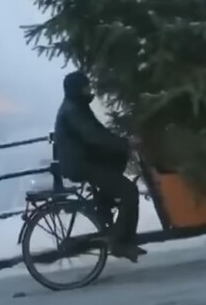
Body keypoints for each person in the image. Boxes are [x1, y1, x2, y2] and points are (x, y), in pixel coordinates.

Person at [53, 71, 147, 262]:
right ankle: (120, 243)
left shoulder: (76, 106)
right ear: (77, 89)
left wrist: (122, 144)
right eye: (85, 87)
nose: (89, 90)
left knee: (117, 162)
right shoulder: (74, 110)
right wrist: (126, 143)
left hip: (84, 160)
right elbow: (93, 136)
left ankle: (104, 210)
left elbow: (98, 132)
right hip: (81, 164)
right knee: (129, 191)